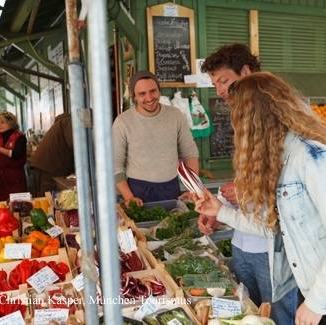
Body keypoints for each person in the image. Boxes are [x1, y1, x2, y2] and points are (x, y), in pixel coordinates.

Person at [194, 72, 326, 325]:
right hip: (308, 288)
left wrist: (316, 302)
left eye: (239, 119)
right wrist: (220, 211)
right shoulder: (279, 159)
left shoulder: (311, 157)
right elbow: (272, 228)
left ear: (256, 119)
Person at [200, 42, 297, 325]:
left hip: (273, 251)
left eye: (224, 81)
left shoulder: (285, 118)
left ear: (246, 72)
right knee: (250, 317)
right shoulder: (242, 119)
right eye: (215, 84)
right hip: (242, 242)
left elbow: (288, 186)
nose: (219, 90)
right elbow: (247, 179)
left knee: (280, 319)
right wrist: (222, 206)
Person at [112, 70, 199, 207]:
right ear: (134, 96)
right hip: (137, 192)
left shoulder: (175, 115)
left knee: (174, 228)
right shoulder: (123, 122)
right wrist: (129, 197)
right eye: (142, 94)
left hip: (171, 188)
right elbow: (115, 164)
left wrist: (193, 188)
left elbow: (190, 152)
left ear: (159, 91)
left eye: (153, 91)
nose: (149, 97)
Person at [30, 113, 74, 197]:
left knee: (43, 198)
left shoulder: (64, 121)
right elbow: (76, 146)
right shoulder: (69, 121)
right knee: (48, 200)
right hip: (49, 167)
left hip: (44, 165)